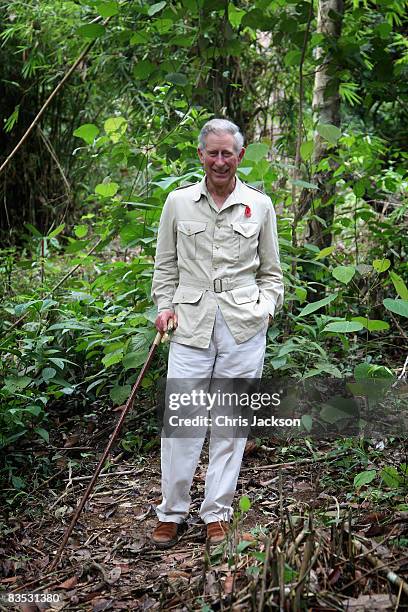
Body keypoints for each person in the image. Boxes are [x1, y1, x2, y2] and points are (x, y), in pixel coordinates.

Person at [150, 118, 284, 548]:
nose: (220, 161)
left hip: (243, 326)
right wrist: (164, 306)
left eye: (228, 153)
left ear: (240, 156)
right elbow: (165, 266)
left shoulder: (259, 205)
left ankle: (217, 512)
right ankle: (172, 512)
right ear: (201, 155)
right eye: (213, 153)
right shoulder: (178, 202)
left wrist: (264, 309)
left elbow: (272, 273)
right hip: (189, 324)